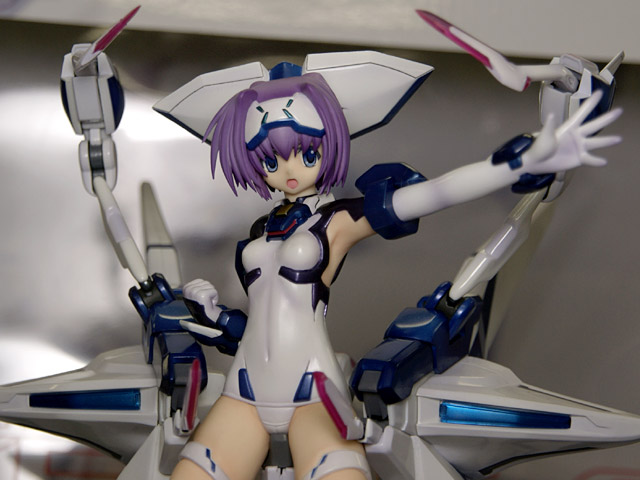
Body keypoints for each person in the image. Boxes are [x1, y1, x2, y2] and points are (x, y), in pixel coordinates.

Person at [167, 56, 619, 480]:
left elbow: (435, 193)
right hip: (243, 389)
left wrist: (516, 164)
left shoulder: (336, 223)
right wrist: (212, 314)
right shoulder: (261, 231)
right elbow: (257, 323)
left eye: (306, 152)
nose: (288, 169)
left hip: (312, 392)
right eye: (270, 159)